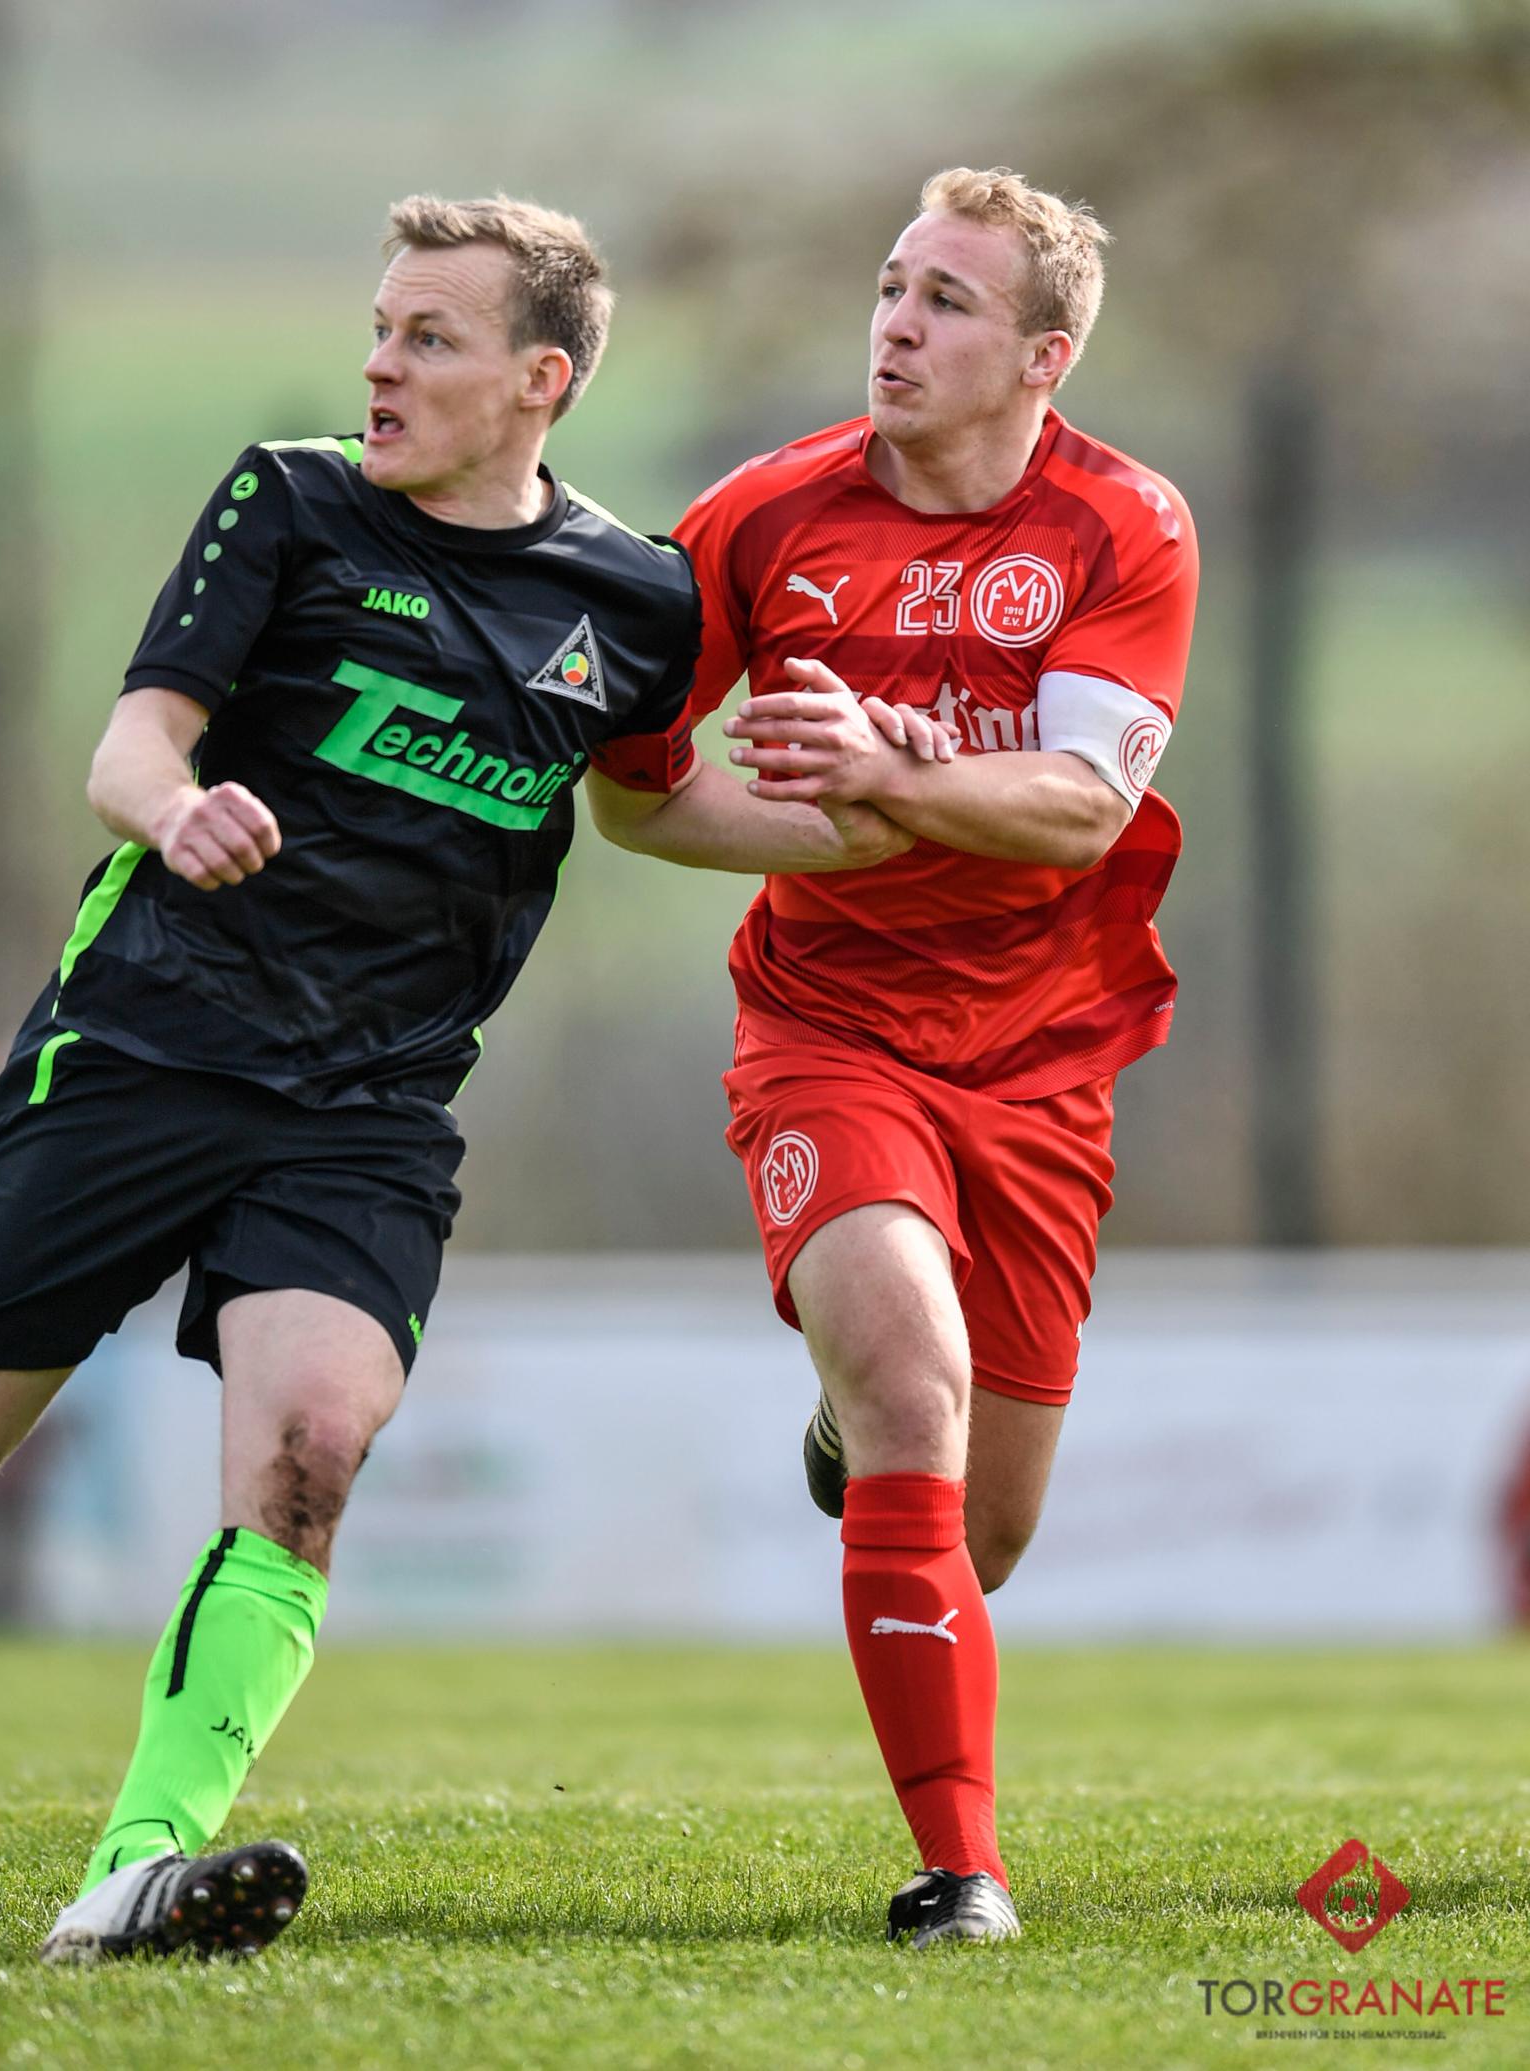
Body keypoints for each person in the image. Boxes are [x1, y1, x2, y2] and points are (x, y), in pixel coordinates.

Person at [0, 192, 917, 1966]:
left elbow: (647, 804)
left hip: (373, 1108)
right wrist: (177, 811)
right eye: (380, 331)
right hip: (148, 1048)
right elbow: (135, 741)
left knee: (312, 1451)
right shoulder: (291, 501)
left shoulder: (636, 598)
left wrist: (880, 818)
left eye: (429, 338)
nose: (380, 366)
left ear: (542, 380)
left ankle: (133, 1872)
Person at [587, 166, 1199, 1947]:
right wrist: (826, 836)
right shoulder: (759, 521)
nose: (898, 326)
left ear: (1045, 356)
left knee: (981, 1533)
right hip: (829, 1032)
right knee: (916, 1392)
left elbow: (1081, 808)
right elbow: (635, 803)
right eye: (891, 287)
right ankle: (960, 1873)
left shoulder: (1124, 524)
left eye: (947, 301)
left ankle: (849, 1426)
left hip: (1043, 1058)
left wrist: (890, 777)